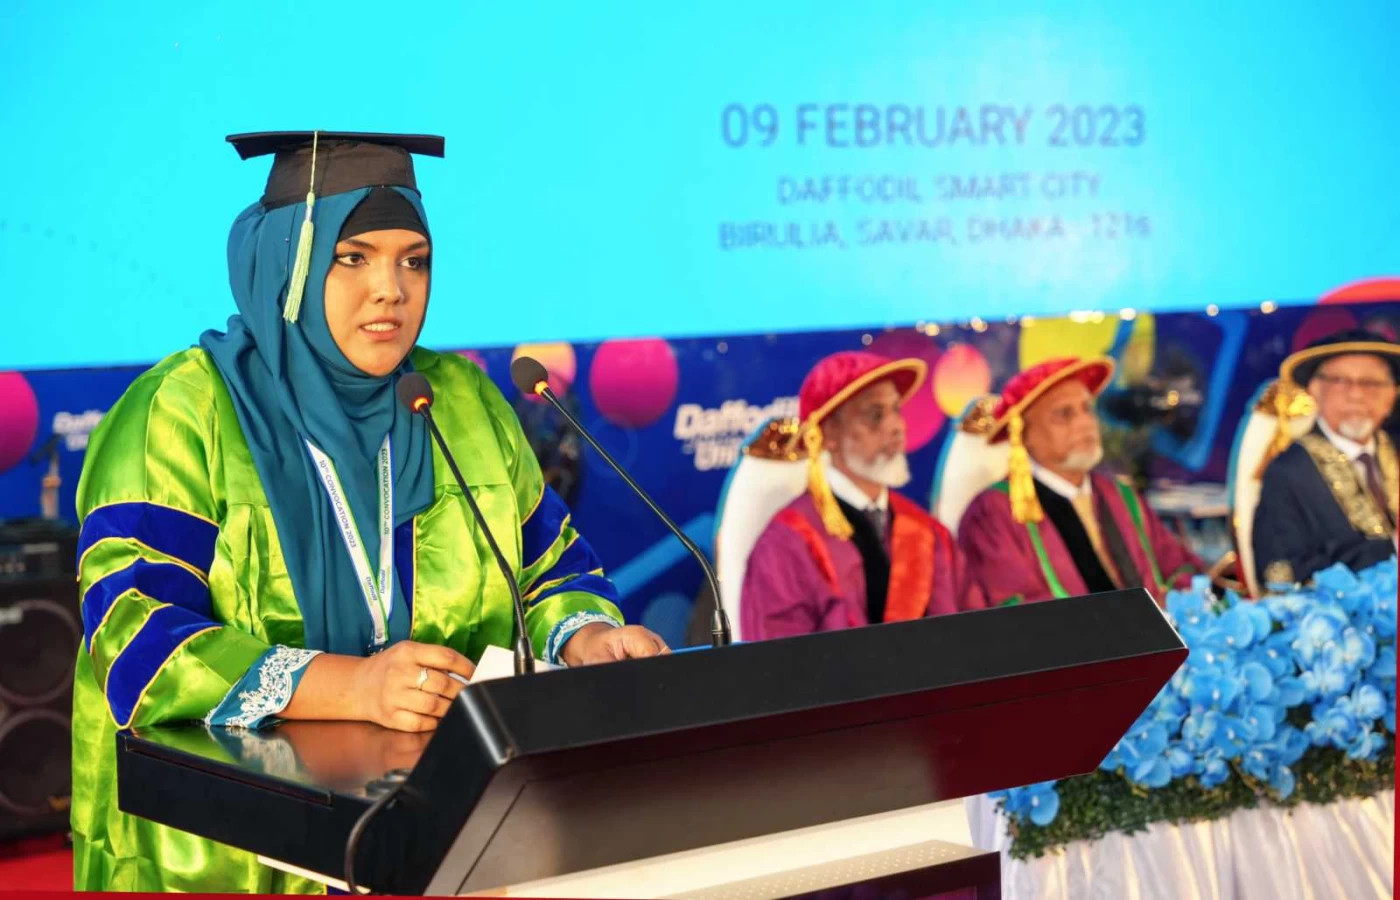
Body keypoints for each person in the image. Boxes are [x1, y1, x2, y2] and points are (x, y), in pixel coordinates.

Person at [71, 131, 666, 893]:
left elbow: (550, 571)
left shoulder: (459, 403)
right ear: (286, 264)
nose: (391, 289)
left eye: (413, 260)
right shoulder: (182, 414)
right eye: (352, 258)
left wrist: (586, 638)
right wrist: (352, 687)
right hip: (231, 853)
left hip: (450, 830)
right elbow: (136, 638)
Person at [740, 351, 985, 639]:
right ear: (828, 434)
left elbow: (974, 633)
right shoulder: (788, 542)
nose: (897, 426)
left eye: (896, 410)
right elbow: (778, 655)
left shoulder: (927, 532)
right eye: (875, 415)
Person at [958, 356, 1202, 605]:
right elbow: (1013, 608)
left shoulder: (1119, 495)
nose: (1085, 423)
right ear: (1024, 434)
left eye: (1087, 409)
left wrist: (1182, 603)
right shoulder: (994, 512)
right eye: (1064, 414)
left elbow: (1179, 568)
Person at [1252, 328, 1399, 586]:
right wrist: (1386, 550)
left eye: (1372, 383)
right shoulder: (1288, 472)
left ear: (1392, 395)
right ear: (1315, 390)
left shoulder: (1394, 451)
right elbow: (1279, 572)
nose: (1356, 395)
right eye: (1341, 381)